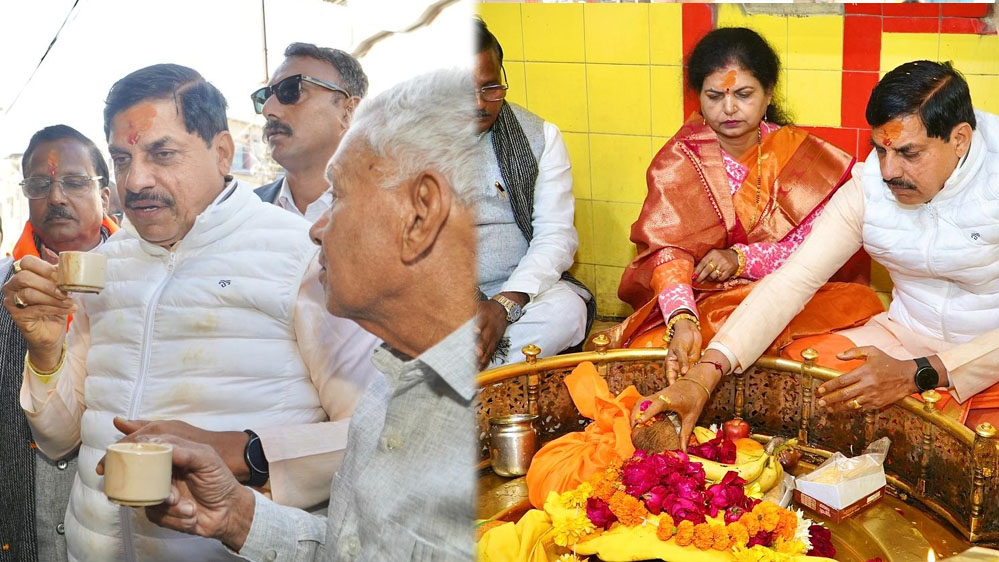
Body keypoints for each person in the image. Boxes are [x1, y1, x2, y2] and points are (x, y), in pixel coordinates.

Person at [2, 64, 379, 561]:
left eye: (162, 153)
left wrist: (247, 452)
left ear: (222, 152)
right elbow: (61, 442)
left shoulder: (301, 258)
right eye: (121, 158)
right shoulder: (104, 267)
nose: (135, 181)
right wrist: (47, 352)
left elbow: (375, 433)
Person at [114, 68, 479, 561]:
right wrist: (237, 517)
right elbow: (349, 550)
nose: (315, 229)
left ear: (420, 213)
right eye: (121, 159)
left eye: (342, 197)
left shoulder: (464, 418)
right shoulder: (390, 394)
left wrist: (250, 452)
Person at [635, 60, 999, 444]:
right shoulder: (870, 187)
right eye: (880, 151)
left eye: (909, 153)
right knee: (801, 379)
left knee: (977, 453)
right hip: (904, 336)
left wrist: (919, 373)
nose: (890, 170)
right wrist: (705, 373)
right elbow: (794, 279)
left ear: (959, 139)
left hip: (986, 355)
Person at [610, 27, 881, 381]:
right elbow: (667, 253)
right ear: (699, 99)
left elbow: (816, 251)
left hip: (794, 295)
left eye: (743, 94)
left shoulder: (803, 157)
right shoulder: (679, 160)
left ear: (768, 94)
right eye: (714, 96)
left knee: (822, 358)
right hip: (705, 302)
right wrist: (682, 317)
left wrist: (740, 259)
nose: (729, 108)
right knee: (648, 358)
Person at [0, 125, 118, 562]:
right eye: (39, 184)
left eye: (73, 182)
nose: (55, 197)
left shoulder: (143, 284)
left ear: (105, 197)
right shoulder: (4, 288)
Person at [474, 18, 593, 369]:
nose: (479, 103)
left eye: (490, 87)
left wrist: (503, 305)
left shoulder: (540, 137)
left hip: (517, 295)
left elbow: (556, 235)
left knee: (567, 311)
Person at [253, 43, 368, 222]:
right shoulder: (243, 215)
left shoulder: (395, 210)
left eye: (291, 90)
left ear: (349, 112)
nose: (268, 109)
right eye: (265, 96)